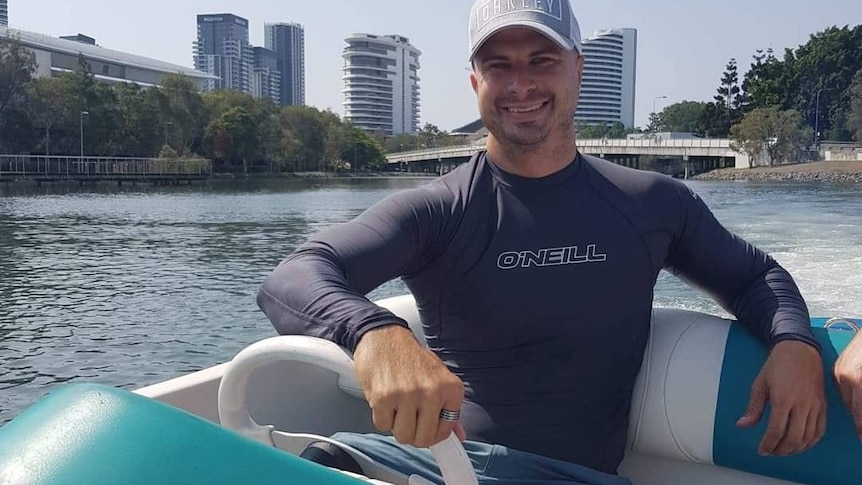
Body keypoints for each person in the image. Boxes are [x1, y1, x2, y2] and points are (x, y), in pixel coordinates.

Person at [256, 0, 827, 483]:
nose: (520, 84)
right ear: (475, 82)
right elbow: (294, 277)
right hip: (445, 466)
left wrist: (793, 344)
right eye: (498, 65)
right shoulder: (439, 209)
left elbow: (754, 277)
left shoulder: (652, 203)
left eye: (542, 60)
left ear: (577, 68)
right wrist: (375, 333)